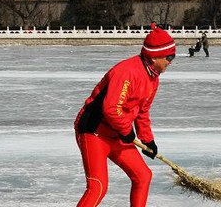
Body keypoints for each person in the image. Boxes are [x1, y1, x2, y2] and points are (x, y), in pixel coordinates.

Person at [74, 27, 176, 207]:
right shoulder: (127, 71)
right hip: (94, 132)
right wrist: (126, 131)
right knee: (98, 187)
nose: (171, 61)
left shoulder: (153, 77)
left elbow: (142, 111)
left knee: (143, 176)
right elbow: (111, 108)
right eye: (169, 57)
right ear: (154, 57)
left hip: (117, 133)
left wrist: (148, 140)